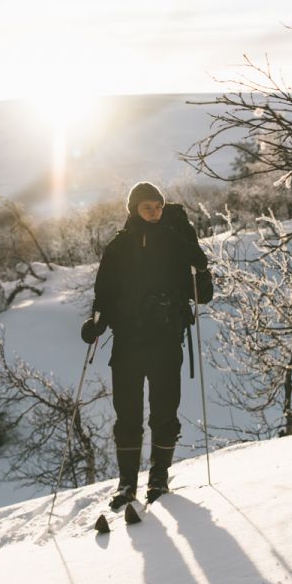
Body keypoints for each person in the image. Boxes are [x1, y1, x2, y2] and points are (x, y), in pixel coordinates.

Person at [81, 181, 213, 510]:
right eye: (147, 208)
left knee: (163, 413)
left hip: (167, 341)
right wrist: (96, 323)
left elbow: (201, 294)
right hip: (127, 344)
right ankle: (127, 484)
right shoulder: (118, 247)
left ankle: (159, 477)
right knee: (127, 416)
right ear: (134, 210)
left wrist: (199, 264)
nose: (154, 213)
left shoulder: (176, 242)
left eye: (158, 206)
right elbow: (105, 294)